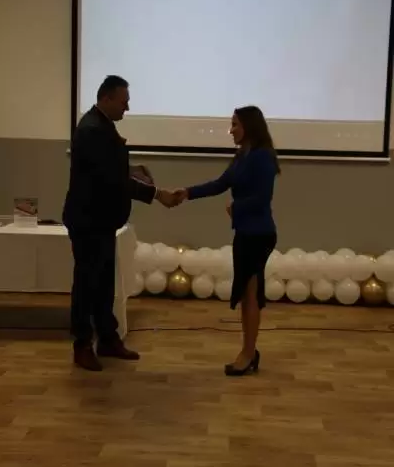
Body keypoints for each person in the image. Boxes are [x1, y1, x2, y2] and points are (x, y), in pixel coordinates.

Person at [63, 75, 175, 372]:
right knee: (87, 285)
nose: (128, 107)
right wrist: (157, 194)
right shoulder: (92, 130)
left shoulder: (100, 125)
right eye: (124, 101)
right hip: (89, 220)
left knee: (103, 283)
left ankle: (108, 339)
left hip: (101, 221)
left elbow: (110, 166)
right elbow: (110, 179)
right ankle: (82, 345)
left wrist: (132, 168)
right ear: (107, 98)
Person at [174, 106, 279, 377]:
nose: (231, 130)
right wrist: (187, 193)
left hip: (259, 234)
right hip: (245, 232)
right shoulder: (241, 156)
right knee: (246, 293)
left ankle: (248, 354)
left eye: (235, 125)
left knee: (251, 293)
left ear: (249, 126)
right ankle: (249, 350)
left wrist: (236, 207)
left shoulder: (262, 157)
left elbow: (263, 198)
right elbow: (220, 184)